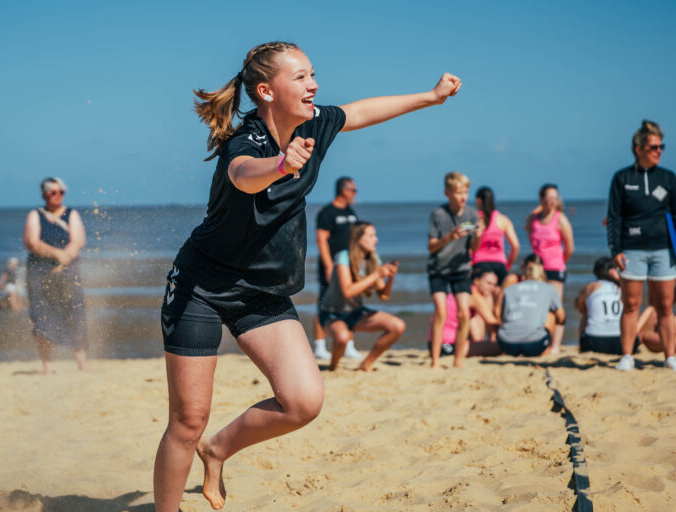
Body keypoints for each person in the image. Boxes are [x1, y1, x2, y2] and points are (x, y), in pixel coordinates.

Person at [156, 41, 461, 512]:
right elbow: (242, 174)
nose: (313, 84)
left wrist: (430, 96)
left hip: (262, 291)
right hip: (202, 287)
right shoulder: (249, 139)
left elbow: (360, 111)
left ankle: (217, 450)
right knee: (188, 419)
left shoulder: (314, 123)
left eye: (312, 74)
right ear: (266, 91)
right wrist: (282, 164)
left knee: (303, 402)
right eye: (300, 77)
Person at [608, 120, 676, 371]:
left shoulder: (668, 178)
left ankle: (670, 357)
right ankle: (627, 355)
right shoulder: (622, 178)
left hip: (663, 250)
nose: (659, 151)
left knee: (666, 306)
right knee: (631, 305)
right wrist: (615, 251)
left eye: (661, 147)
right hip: (632, 249)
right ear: (638, 149)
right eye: (653, 147)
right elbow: (614, 217)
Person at [22, 177, 89, 374]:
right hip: (39, 271)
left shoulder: (72, 214)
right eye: (53, 192)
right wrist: (57, 254)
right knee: (41, 315)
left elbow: (78, 242)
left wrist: (62, 262)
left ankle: (82, 365)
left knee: (74, 314)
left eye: (61, 192)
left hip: (68, 271)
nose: (57, 196)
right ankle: (47, 366)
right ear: (44, 195)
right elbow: (32, 242)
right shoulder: (35, 215)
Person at [319, 222, 404, 371]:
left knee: (397, 326)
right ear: (358, 238)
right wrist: (377, 274)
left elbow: (383, 295)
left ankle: (366, 365)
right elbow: (348, 292)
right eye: (371, 235)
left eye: (375, 235)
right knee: (342, 337)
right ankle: (333, 368)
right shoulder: (343, 257)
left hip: (356, 313)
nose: (376, 239)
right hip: (332, 313)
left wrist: (390, 277)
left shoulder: (373, 258)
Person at [428, 171, 478, 369]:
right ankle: (434, 360)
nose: (463, 196)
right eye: (458, 192)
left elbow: (474, 247)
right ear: (447, 193)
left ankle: (458, 359)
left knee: (464, 313)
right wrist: (449, 236)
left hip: (461, 268)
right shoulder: (438, 215)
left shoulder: (471, 214)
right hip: (438, 267)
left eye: (466, 191)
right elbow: (431, 246)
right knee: (440, 312)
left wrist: (478, 235)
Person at [312, 177, 360, 360]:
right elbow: (321, 240)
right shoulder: (327, 213)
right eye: (354, 190)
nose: (355, 194)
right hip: (331, 266)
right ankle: (319, 346)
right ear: (344, 191)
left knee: (350, 303)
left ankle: (348, 344)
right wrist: (328, 265)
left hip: (349, 266)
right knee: (324, 303)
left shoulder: (351, 212)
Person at [526, 183, 574, 353]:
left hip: (555, 267)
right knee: (537, 306)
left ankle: (555, 345)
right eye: (549, 198)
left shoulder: (560, 218)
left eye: (555, 198)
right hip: (537, 269)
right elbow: (528, 229)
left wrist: (560, 262)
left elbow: (570, 247)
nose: (552, 201)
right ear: (542, 199)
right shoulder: (534, 218)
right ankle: (540, 341)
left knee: (555, 306)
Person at [496, 254, 565, 357]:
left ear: (524, 269)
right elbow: (561, 317)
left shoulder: (511, 288)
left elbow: (501, 312)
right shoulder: (548, 288)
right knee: (551, 314)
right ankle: (546, 350)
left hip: (505, 342)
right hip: (533, 343)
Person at [471, 186, 519, 285]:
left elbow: (462, 236)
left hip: (479, 263)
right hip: (500, 264)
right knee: (499, 297)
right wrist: (508, 265)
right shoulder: (504, 220)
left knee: (480, 298)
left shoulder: (473, 220)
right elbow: (516, 246)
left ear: (478, 200)